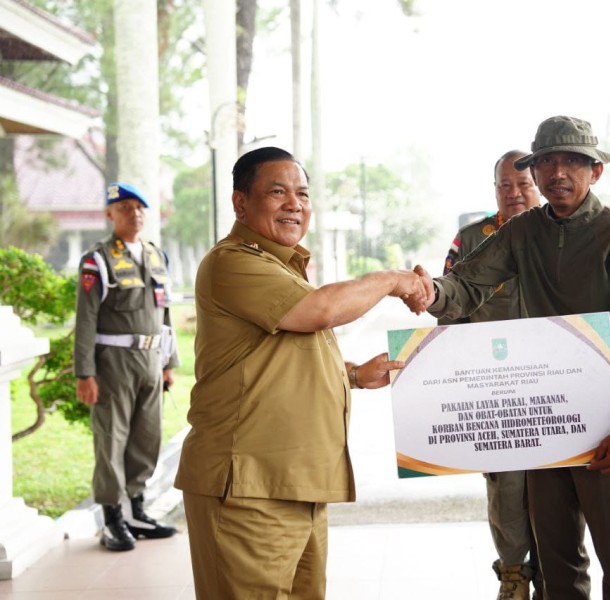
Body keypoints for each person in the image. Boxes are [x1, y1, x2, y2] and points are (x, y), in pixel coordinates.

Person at [408, 115, 610, 600]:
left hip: (609, 419)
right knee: (555, 560)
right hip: (545, 418)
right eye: (547, 162)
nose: (557, 173)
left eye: (572, 161)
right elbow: (467, 285)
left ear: (595, 171)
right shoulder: (524, 231)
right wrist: (426, 292)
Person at [174, 147, 428, 600]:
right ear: (240, 202)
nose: (295, 203)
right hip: (248, 489)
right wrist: (393, 280)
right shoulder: (232, 261)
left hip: (296, 483)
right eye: (277, 192)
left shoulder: (279, 265)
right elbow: (320, 311)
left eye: (303, 193)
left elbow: (272, 359)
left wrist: (350, 374)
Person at [440, 149, 543, 600]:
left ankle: (554, 572)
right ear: (495, 189)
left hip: (556, 383)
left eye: (523, 185)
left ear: (537, 185)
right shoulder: (471, 239)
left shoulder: (562, 236)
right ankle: (513, 573)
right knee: (507, 487)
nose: (515, 193)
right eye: (505, 185)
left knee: (558, 484)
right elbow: (450, 314)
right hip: (495, 387)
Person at [74, 182, 180, 552]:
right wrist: (84, 373)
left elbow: (164, 313)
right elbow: (85, 320)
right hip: (113, 363)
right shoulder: (98, 259)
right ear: (110, 214)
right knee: (111, 440)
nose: (134, 213)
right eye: (125, 207)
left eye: (140, 207)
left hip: (151, 360)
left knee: (147, 437)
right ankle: (112, 520)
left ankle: (137, 510)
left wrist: (169, 362)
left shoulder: (155, 256)